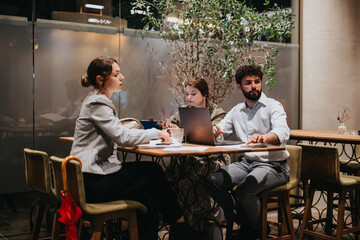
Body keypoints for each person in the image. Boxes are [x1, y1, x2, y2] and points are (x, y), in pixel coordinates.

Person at [70, 57, 184, 240]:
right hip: (93, 181)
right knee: (153, 172)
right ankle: (180, 224)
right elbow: (123, 137)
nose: (122, 77)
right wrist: (156, 133)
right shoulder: (98, 102)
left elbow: (117, 131)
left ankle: (171, 226)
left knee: (147, 194)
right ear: (101, 79)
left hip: (88, 178)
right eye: (116, 74)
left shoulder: (95, 99)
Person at [205, 65, 290, 239]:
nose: (254, 86)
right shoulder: (237, 111)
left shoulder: (273, 106)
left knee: (244, 190)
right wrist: (215, 132)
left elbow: (283, 131)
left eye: (257, 82)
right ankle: (253, 225)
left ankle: (252, 230)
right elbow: (221, 132)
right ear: (239, 87)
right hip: (247, 163)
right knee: (213, 181)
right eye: (248, 83)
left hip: (274, 166)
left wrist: (265, 137)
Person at [167, 77, 230, 232]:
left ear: (205, 94)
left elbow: (216, 134)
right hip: (190, 159)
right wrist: (171, 127)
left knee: (185, 182)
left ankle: (190, 225)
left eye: (193, 94)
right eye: (187, 94)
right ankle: (187, 227)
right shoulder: (184, 111)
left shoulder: (217, 113)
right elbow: (170, 124)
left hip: (212, 159)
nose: (189, 98)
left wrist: (211, 131)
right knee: (170, 177)